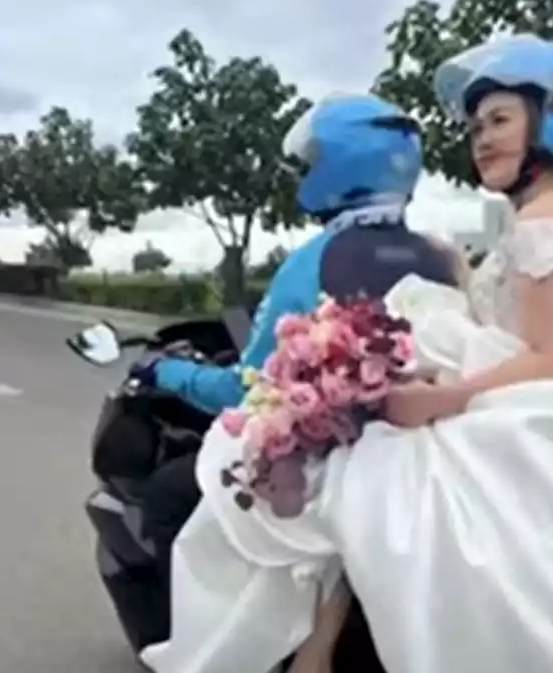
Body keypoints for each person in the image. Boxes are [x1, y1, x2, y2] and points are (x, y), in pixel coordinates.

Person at [143, 37, 553, 673]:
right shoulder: (533, 218)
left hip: (528, 398)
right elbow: (515, 316)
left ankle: (316, 651)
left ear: (551, 123)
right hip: (515, 387)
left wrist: (441, 396)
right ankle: (320, 648)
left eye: (499, 121)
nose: (482, 140)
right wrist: (461, 273)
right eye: (475, 128)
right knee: (357, 468)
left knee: (357, 477)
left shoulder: (549, 219)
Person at [138, 93, 458, 672]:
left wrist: (165, 370)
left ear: (337, 166)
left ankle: (204, 648)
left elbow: (246, 389)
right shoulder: (436, 256)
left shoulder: (317, 259)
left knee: (166, 495)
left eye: (310, 163)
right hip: (421, 458)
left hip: (327, 462)